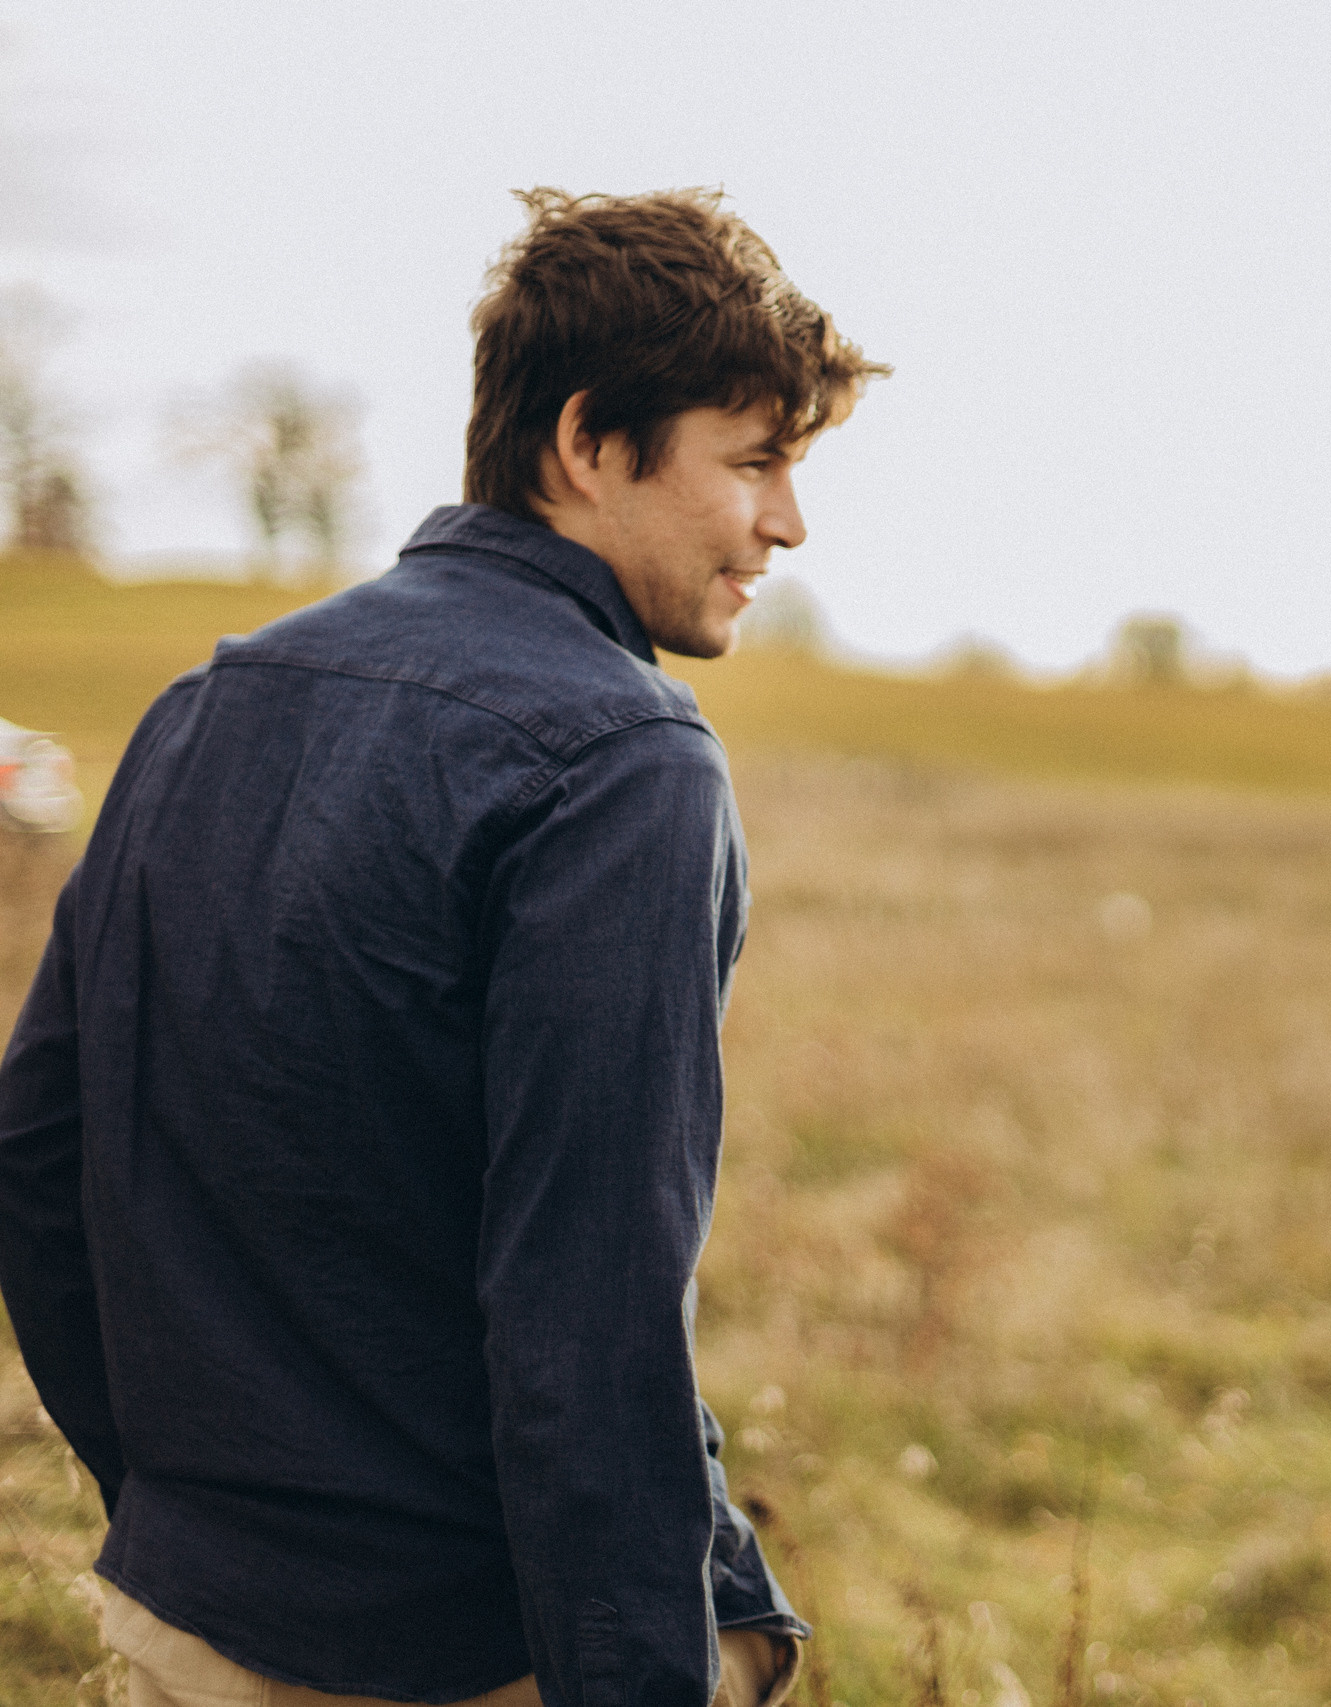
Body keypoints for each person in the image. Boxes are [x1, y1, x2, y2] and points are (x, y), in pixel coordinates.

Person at [0, 187, 886, 1706]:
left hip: (182, 1624)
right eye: (754, 461)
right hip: (462, 1653)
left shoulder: (206, 701)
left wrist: (180, 1518)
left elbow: (35, 1160)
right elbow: (590, 1313)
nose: (787, 522)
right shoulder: (624, 763)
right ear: (591, 440)